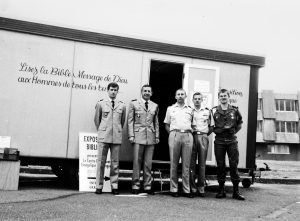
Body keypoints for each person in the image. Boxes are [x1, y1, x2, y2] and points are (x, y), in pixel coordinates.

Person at [211, 88, 245, 200]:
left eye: (225, 95)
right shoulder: (214, 111)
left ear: (228, 97)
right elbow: (211, 125)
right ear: (219, 98)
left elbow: (239, 123)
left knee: (233, 165)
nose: (223, 97)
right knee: (220, 166)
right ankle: (221, 190)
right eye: (221, 96)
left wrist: (234, 132)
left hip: (231, 141)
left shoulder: (234, 110)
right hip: (219, 141)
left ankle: (236, 192)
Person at [94, 82, 126, 195]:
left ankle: (114, 185)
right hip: (104, 136)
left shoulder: (122, 105)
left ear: (117, 91)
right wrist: (102, 130)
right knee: (101, 162)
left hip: (116, 137)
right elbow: (97, 120)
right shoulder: (101, 104)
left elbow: (122, 121)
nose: (113, 91)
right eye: (111, 89)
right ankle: (99, 186)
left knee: (115, 163)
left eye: (115, 90)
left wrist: (116, 130)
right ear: (107, 90)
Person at [127, 84, 159, 195]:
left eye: (148, 91)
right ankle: (135, 185)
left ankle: (147, 186)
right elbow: (130, 121)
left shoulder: (154, 106)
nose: (146, 93)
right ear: (141, 92)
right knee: (137, 162)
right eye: (145, 91)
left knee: (148, 163)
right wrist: (131, 135)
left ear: (151, 93)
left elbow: (156, 122)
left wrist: (157, 136)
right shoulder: (134, 103)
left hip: (150, 136)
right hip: (138, 136)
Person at [164, 88, 194, 198]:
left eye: (182, 94)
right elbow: (167, 124)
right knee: (174, 164)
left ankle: (186, 189)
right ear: (175, 96)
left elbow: (194, 125)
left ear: (185, 96)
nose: (180, 96)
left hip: (187, 135)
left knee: (186, 164)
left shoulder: (191, 110)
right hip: (175, 135)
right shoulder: (170, 109)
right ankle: (174, 188)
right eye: (178, 94)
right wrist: (173, 134)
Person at [190, 92, 214, 197]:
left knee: (202, 164)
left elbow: (212, 126)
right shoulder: (190, 111)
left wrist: (204, 135)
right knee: (191, 163)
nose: (197, 100)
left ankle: (201, 187)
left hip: (203, 136)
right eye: (195, 98)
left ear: (202, 100)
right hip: (192, 136)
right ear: (192, 100)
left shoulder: (207, 111)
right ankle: (192, 187)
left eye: (199, 98)